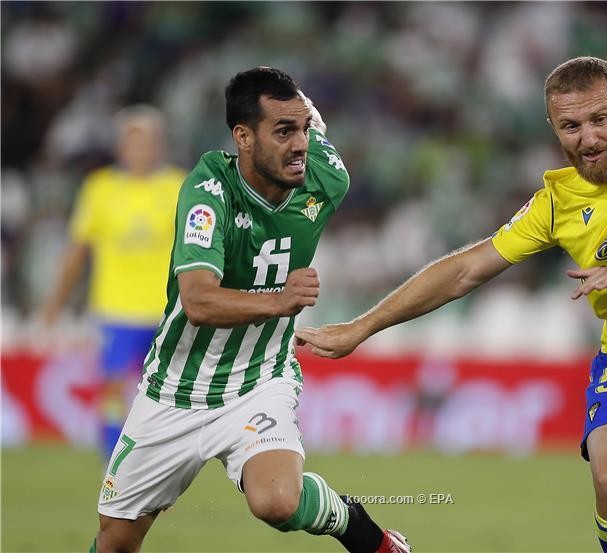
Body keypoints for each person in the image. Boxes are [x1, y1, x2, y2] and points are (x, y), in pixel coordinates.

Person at [296, 56, 607, 553]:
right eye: (571, 126)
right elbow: (464, 270)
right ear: (554, 128)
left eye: (599, 120)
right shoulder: (557, 203)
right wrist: (362, 328)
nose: (588, 138)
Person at [90, 67, 410, 553]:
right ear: (242, 136)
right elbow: (197, 300)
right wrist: (282, 300)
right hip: (174, 388)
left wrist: (304, 119)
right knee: (115, 543)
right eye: (283, 132)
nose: (299, 143)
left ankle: (361, 529)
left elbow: (317, 130)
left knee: (277, 502)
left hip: (259, 379)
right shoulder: (208, 190)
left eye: (302, 129)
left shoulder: (326, 179)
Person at [41, 105, 185, 459]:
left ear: (160, 145)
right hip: (115, 308)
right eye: (133, 142)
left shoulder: (180, 186)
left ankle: (166, 459)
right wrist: (55, 303)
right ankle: (113, 463)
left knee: (168, 390)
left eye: (147, 142)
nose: (140, 150)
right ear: (121, 146)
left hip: (168, 310)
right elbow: (78, 251)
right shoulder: (100, 188)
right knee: (112, 389)